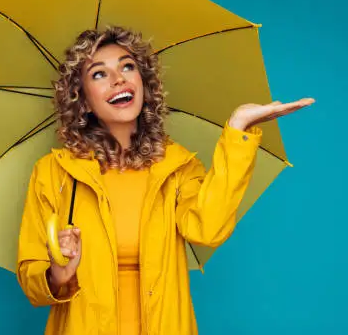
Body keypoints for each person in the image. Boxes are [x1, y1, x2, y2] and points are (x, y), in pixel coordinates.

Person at [16, 26, 314, 335]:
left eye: (127, 66)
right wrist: (58, 274)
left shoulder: (176, 166)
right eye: (99, 74)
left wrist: (238, 130)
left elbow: (207, 228)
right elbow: (31, 280)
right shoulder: (55, 172)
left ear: (143, 83)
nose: (119, 78)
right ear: (84, 100)